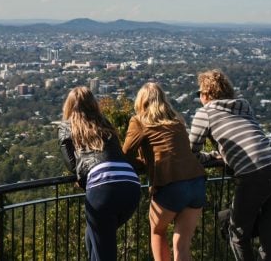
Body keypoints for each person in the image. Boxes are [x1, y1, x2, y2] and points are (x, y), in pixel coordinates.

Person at [189, 69, 271, 261]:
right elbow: (249, 137)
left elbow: (190, 152)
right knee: (270, 238)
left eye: (199, 94)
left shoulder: (206, 113)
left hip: (254, 171)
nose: (200, 98)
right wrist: (220, 154)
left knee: (237, 234)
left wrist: (209, 157)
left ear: (206, 94)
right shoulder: (243, 105)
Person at [122, 82, 206, 261]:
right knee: (182, 246)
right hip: (197, 181)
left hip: (171, 183)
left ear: (141, 101)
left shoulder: (139, 121)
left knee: (158, 231)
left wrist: (142, 163)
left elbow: (125, 154)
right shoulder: (177, 121)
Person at [58, 86, 141, 261]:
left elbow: (72, 165)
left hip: (102, 189)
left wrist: (82, 178)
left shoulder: (66, 127)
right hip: (131, 185)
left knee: (104, 251)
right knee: (93, 237)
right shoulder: (105, 124)